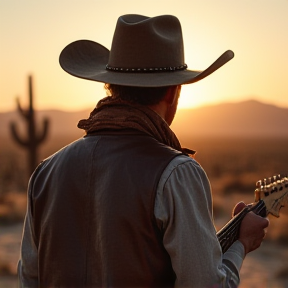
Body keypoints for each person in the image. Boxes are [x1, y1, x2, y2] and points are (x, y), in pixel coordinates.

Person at [18, 14, 269, 287]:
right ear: (174, 92)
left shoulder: (45, 173)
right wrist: (240, 245)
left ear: (110, 86)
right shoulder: (177, 173)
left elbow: (30, 279)